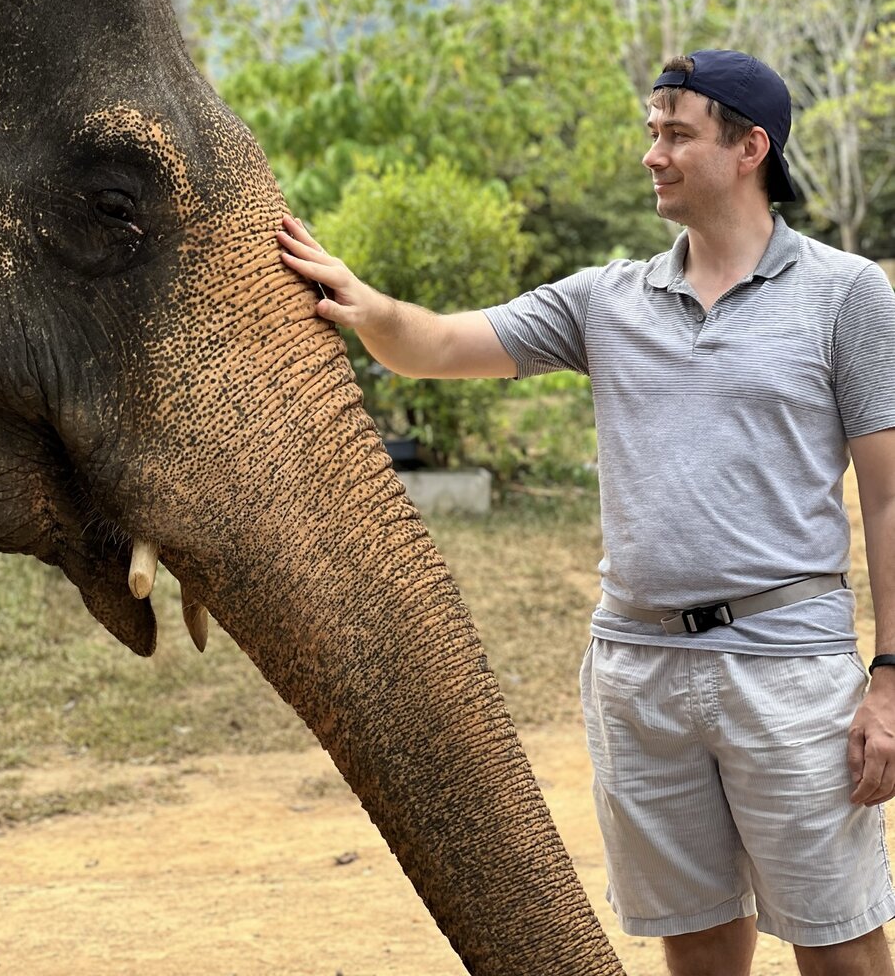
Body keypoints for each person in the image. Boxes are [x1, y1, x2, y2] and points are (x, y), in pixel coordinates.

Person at [277, 49, 895, 976]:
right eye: (653, 132)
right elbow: (441, 344)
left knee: (839, 945)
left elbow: (887, 495)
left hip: (788, 670)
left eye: (677, 134)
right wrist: (364, 303)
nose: (653, 153)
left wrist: (889, 678)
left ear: (749, 147)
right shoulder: (605, 299)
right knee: (694, 944)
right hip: (637, 673)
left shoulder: (846, 295)